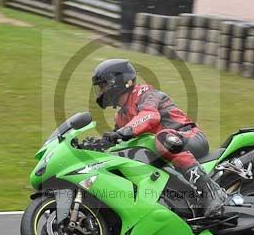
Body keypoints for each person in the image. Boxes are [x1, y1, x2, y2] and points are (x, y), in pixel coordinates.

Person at [92, 58, 227, 217]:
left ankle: (211, 191)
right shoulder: (120, 117)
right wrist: (96, 146)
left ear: (118, 81)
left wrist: (121, 132)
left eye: (103, 86)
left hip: (188, 137)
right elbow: (118, 144)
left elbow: (150, 116)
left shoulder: (146, 94)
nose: (101, 92)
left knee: (163, 138)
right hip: (166, 152)